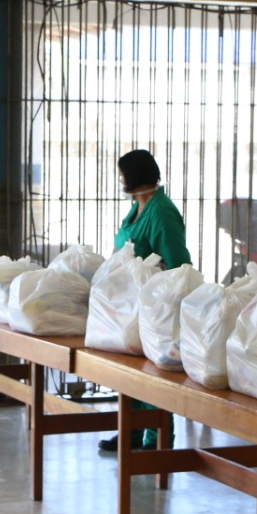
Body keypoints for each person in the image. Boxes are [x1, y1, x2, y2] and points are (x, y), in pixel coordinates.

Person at [98, 149, 193, 452]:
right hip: (130, 305)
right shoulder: (137, 208)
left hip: (156, 306)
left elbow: (178, 262)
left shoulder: (161, 212)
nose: (121, 180)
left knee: (155, 374)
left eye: (123, 174)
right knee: (131, 374)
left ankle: (157, 438)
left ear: (134, 176)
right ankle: (131, 431)